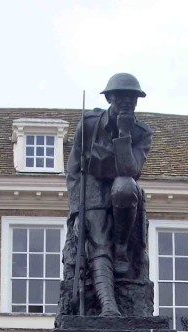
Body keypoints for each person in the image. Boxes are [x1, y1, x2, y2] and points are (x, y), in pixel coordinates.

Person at [65, 73, 153, 316]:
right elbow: (73, 169)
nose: (127, 102)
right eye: (121, 96)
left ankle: (122, 246)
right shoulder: (90, 124)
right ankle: (108, 306)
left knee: (125, 186)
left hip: (122, 190)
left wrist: (124, 134)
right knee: (98, 239)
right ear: (110, 98)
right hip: (92, 188)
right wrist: (76, 212)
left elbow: (130, 171)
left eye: (132, 97)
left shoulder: (141, 133)